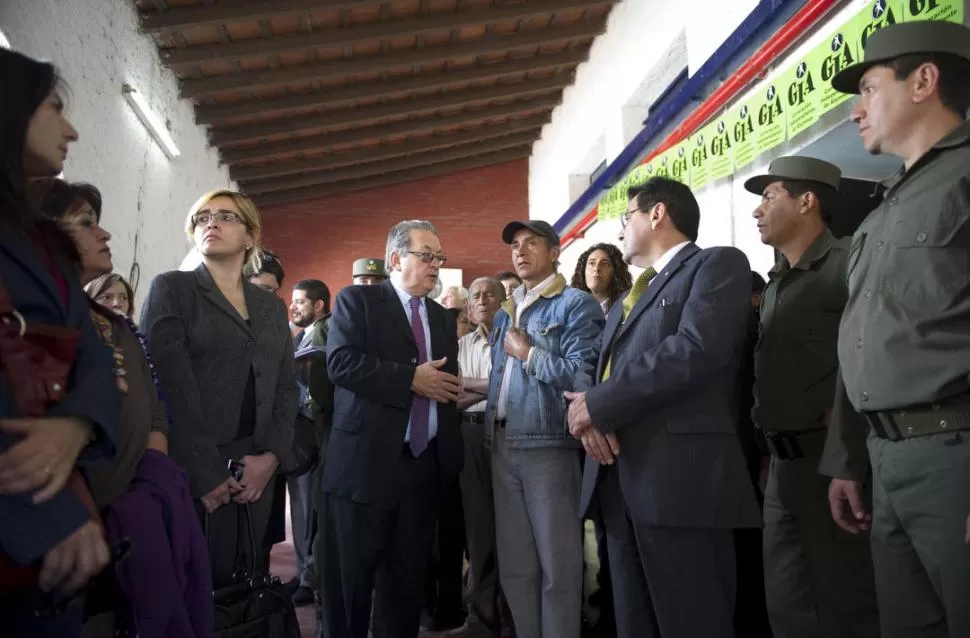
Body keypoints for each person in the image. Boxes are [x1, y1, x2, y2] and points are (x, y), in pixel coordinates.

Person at [820, 20, 970, 638]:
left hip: (953, 458)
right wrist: (847, 457)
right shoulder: (885, 207)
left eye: (869, 88)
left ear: (924, 82)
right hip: (887, 460)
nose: (857, 112)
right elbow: (862, 339)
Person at [567, 177, 761, 638]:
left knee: (693, 618)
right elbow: (591, 365)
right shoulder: (625, 302)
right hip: (617, 478)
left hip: (680, 481)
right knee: (633, 619)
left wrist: (599, 404)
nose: (619, 232)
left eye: (625, 218)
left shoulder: (716, 266)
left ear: (657, 214)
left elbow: (694, 349)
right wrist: (588, 416)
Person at [34, 177, 212, 637]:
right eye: (87, 223)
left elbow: (153, 409)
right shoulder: (31, 323)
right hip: (61, 523)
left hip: (135, 511)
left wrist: (148, 487)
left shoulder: (117, 327)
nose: (104, 234)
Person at [0, 48, 119, 637]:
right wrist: (48, 520)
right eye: (53, 107)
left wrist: (75, 425)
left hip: (64, 484)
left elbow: (93, 352)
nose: (70, 129)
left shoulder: (42, 240)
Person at [745, 156, 879, 638]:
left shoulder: (846, 263)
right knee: (787, 607)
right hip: (781, 468)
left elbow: (867, 355)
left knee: (846, 605)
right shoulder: (779, 278)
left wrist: (848, 451)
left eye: (768, 196)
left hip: (831, 463)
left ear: (807, 201)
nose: (757, 211)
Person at [140, 189, 297, 589]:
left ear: (250, 236)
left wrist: (271, 458)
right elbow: (168, 386)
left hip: (254, 470)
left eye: (226, 216)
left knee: (243, 589)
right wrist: (205, 471)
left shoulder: (270, 308)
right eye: (203, 217)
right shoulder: (173, 289)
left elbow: (284, 386)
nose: (212, 223)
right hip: (193, 467)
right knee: (189, 587)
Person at [319, 220, 462, 638]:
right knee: (350, 587)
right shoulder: (357, 302)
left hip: (421, 469)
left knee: (404, 587)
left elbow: (440, 383)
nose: (436, 264)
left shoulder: (440, 317)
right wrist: (409, 379)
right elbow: (340, 363)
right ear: (396, 259)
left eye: (440, 257)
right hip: (362, 467)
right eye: (427, 255)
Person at [484, 219, 603, 638]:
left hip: (548, 445)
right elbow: (503, 383)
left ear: (555, 252)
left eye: (531, 243)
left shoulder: (575, 305)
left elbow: (582, 378)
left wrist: (529, 353)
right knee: (516, 565)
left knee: (558, 564)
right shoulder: (506, 310)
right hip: (501, 443)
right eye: (515, 244)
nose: (520, 251)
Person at [449, 277, 508, 638]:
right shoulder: (460, 345)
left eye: (490, 294)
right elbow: (450, 395)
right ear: (469, 307)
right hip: (470, 434)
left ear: (504, 302)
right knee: (479, 530)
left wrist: (471, 384)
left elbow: (513, 387)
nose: (482, 300)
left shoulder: (514, 340)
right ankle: (481, 619)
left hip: (507, 432)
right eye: (476, 296)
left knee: (515, 531)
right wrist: (490, 385)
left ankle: (515, 617)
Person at [288, 278, 332, 607]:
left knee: (311, 508)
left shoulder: (325, 331)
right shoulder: (298, 337)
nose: (294, 306)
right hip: (300, 434)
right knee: (302, 508)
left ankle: (310, 576)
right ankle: (305, 571)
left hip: (316, 434)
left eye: (300, 301)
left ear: (318, 305)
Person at [570, 242, 633, 314]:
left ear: (616, 271)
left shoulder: (628, 305)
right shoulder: (573, 310)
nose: (596, 268)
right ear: (583, 271)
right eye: (592, 263)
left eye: (604, 264)